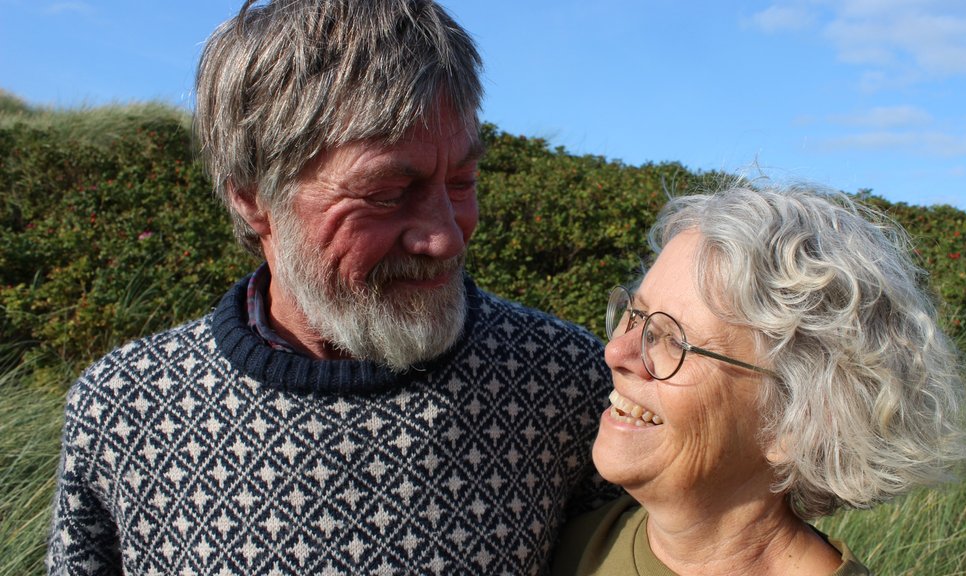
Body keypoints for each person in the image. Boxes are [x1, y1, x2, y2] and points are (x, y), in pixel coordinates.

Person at [46, 1, 616, 574]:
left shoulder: (568, 382)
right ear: (251, 198)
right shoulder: (128, 407)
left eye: (462, 181)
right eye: (385, 194)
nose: (445, 238)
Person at [552, 182, 966, 575]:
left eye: (674, 343)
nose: (615, 352)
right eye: (636, 314)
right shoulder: (563, 542)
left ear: (795, 423)